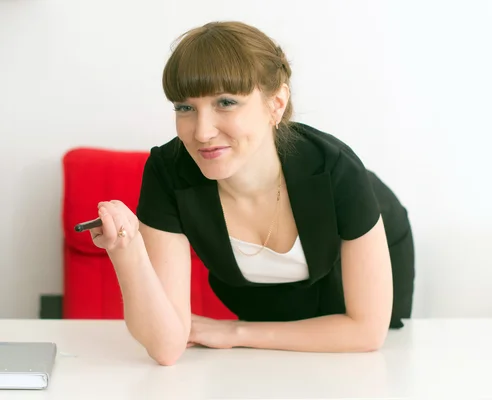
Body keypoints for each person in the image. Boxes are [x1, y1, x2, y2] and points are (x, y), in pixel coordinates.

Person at [91, 21, 415, 365]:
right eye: (185, 107)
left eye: (226, 102)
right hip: (262, 299)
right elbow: (167, 347)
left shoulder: (335, 169)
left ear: (276, 104)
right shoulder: (167, 173)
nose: (201, 132)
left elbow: (366, 333)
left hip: (350, 276)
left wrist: (236, 333)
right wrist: (126, 251)